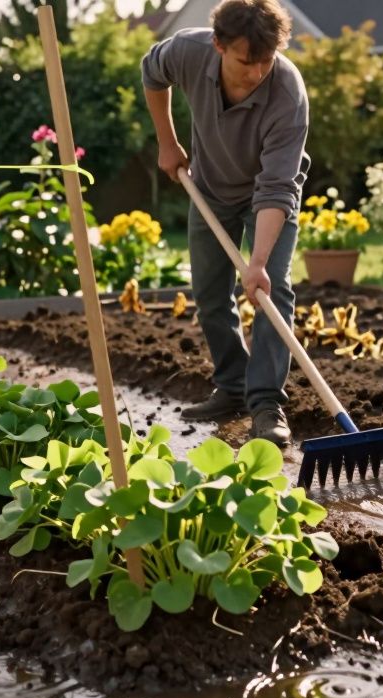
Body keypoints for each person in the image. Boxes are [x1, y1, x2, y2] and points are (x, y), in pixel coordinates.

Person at [141, 0, 310, 446]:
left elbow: (276, 189)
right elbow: (151, 73)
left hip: (266, 195)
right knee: (210, 290)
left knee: (273, 285)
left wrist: (256, 263)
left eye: (266, 61)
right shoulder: (187, 51)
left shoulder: (288, 92)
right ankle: (233, 386)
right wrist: (168, 143)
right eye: (245, 61)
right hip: (211, 186)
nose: (256, 73)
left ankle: (267, 404)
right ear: (218, 46)